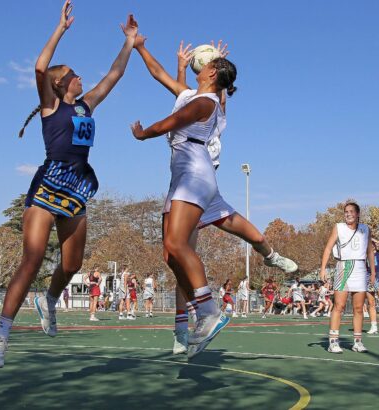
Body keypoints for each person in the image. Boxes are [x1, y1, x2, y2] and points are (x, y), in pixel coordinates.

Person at [0, 1, 139, 368]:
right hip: (49, 182)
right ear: (60, 83)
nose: (80, 76)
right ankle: (1, 334)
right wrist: (60, 29)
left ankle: (49, 301)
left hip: (77, 186)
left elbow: (113, 76)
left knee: (71, 265)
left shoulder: (86, 106)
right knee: (32, 258)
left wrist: (129, 42)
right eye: (73, 73)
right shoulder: (51, 107)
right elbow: (39, 67)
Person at [132, 36, 297, 357]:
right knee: (171, 253)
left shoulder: (206, 102)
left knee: (178, 245)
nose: (201, 62)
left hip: (195, 172)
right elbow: (159, 74)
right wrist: (138, 46)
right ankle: (199, 313)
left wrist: (144, 133)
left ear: (212, 75)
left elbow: (171, 121)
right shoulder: (194, 95)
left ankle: (207, 310)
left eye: (207, 63)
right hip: (185, 173)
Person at [320, 199, 376, 354]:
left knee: (358, 308)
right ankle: (333, 342)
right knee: (339, 306)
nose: (348, 214)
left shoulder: (365, 229)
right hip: (344, 267)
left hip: (360, 268)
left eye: (352, 212)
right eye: (346, 212)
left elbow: (370, 251)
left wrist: (372, 272)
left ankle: (357, 342)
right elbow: (328, 247)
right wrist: (323, 268)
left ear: (357, 214)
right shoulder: (339, 228)